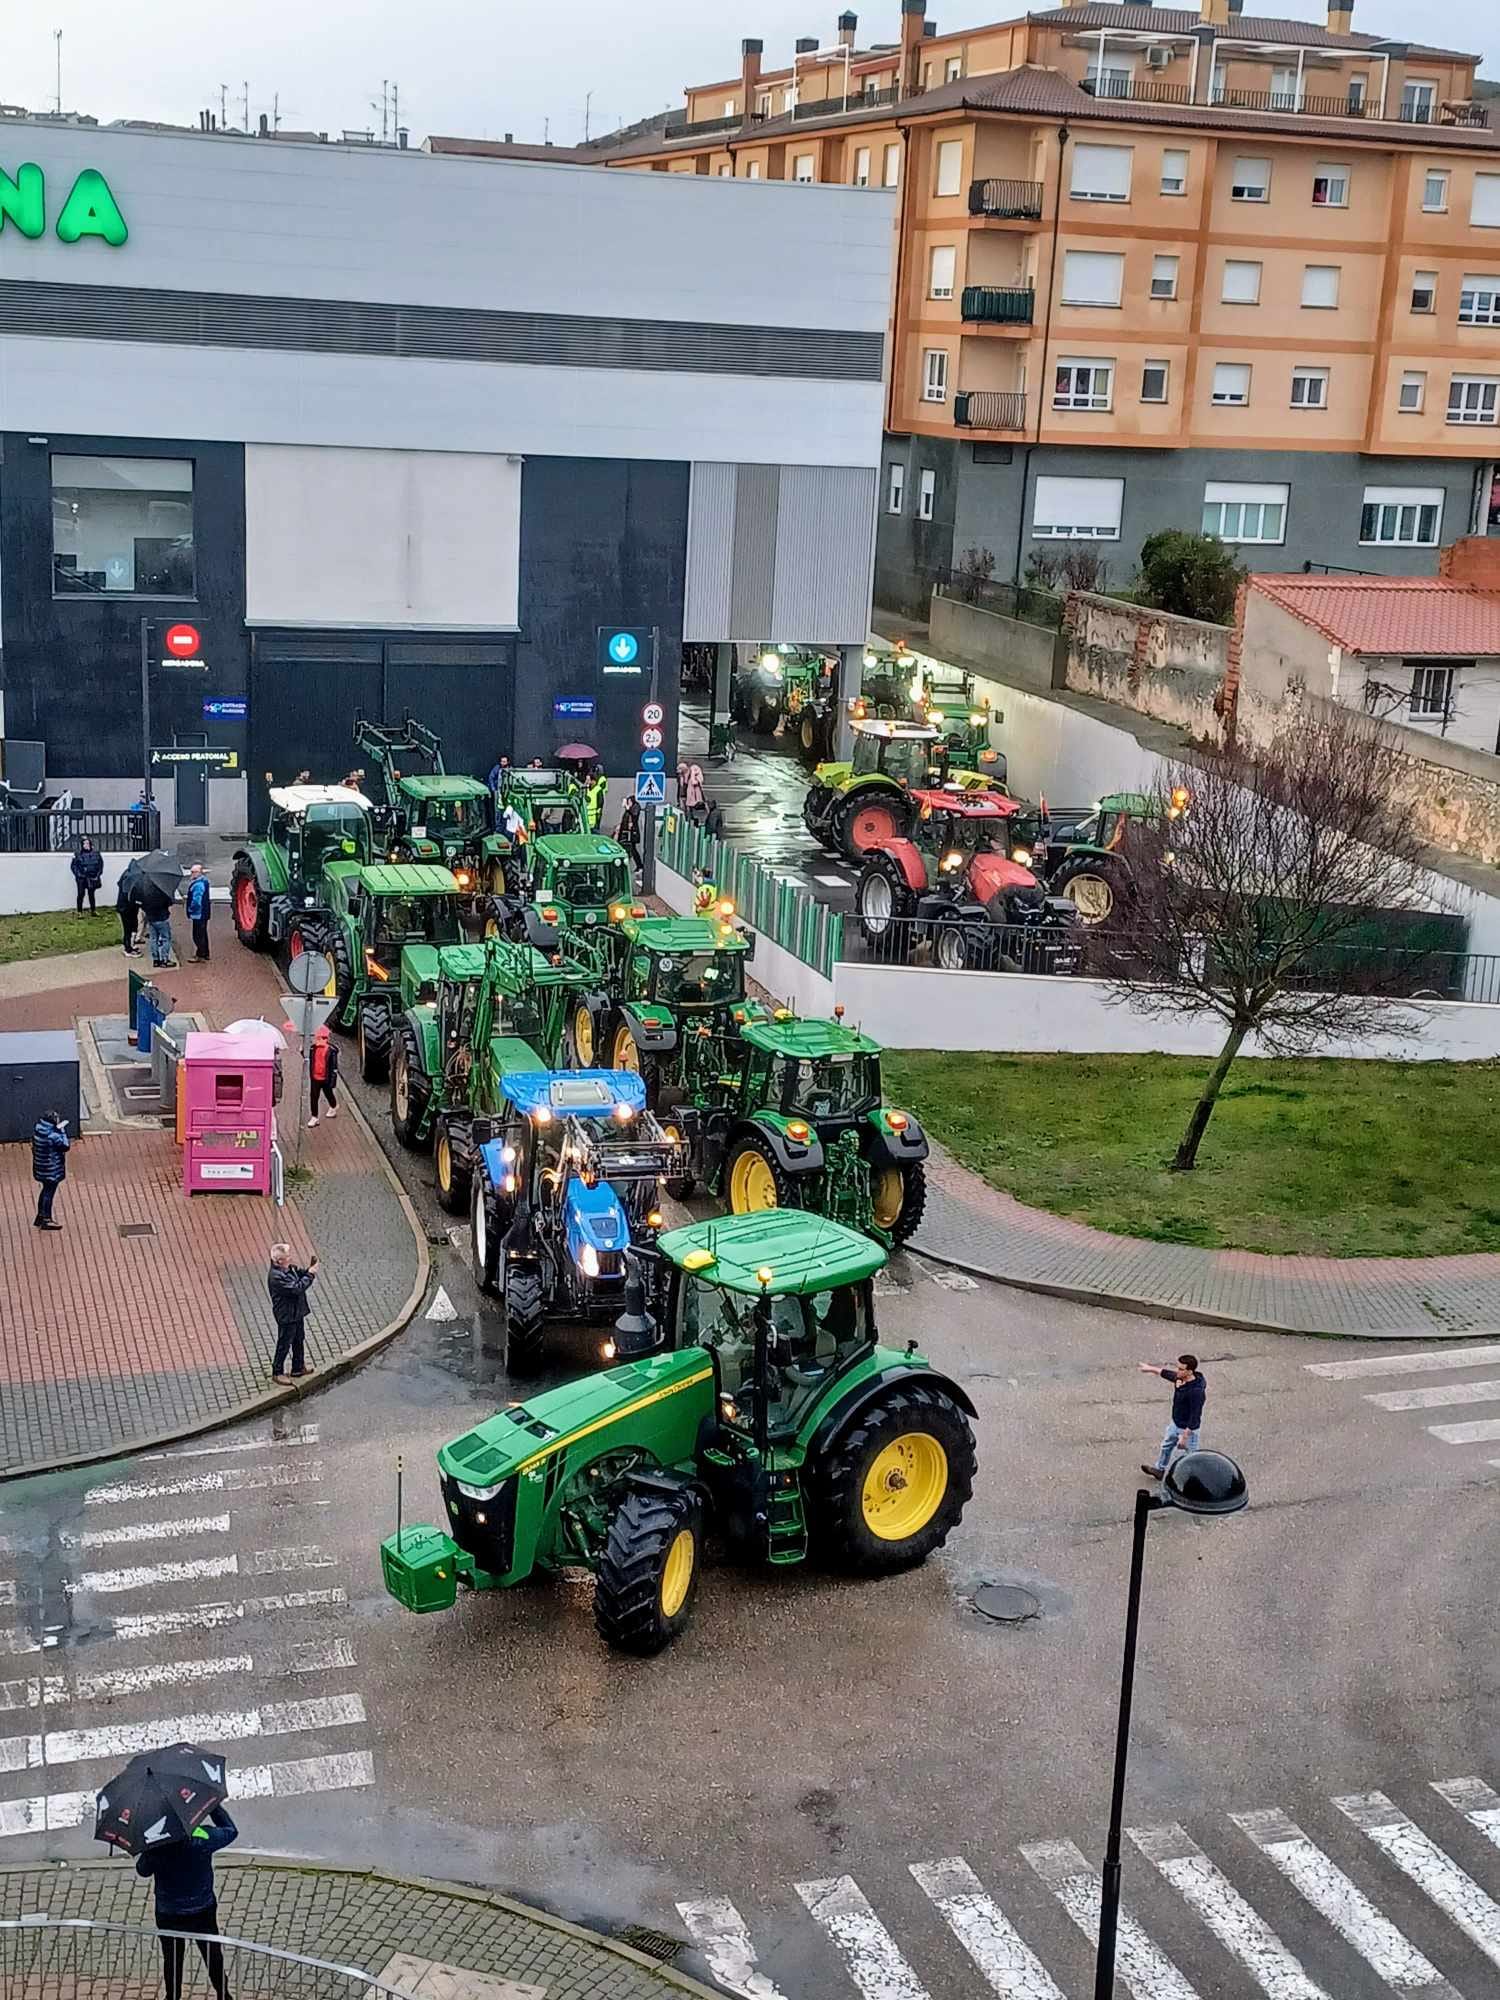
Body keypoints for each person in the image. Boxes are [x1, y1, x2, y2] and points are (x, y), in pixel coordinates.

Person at [136, 1803, 238, 2000]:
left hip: (169, 1912)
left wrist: (148, 1845)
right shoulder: (201, 1837)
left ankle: (173, 1996)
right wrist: (212, 1806)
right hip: (202, 1909)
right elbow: (230, 1831)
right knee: (212, 1954)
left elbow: (143, 1870)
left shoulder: (157, 1844)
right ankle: (223, 1994)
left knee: (172, 1959)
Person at [1139, 1353, 1207, 1479]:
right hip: (1175, 1423)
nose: (1178, 1371)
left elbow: (1195, 1416)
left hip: (1188, 1430)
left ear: (1190, 1371)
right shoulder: (1180, 1378)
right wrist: (1150, 1368)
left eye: (1181, 1369)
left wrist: (1184, 1437)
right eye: (1178, 1367)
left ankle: (1195, 1480)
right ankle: (1160, 1469)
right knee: (1166, 1446)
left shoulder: (1196, 1392)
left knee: (1192, 1456)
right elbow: (1168, 1374)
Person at [268, 1245, 318, 1383]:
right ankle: (277, 1372)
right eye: (287, 1257)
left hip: (296, 1311)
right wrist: (311, 1274)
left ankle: (298, 1367)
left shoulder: (288, 1268)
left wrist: (308, 1270)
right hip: (286, 1314)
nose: (290, 1258)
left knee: (298, 1339)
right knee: (284, 1342)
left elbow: (299, 1273)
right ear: (279, 1261)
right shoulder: (277, 1277)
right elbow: (297, 1288)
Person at [31, 1109, 70, 1231]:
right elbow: (65, 1146)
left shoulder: (39, 1131)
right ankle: (46, 1219)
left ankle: (40, 1216)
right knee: (49, 1193)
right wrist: (62, 1131)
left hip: (41, 1167)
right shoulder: (54, 1135)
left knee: (45, 1191)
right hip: (51, 1169)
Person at [139, 876, 177, 969]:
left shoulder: (145, 892)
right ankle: (164, 960)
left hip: (151, 918)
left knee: (153, 939)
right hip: (162, 917)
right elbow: (169, 902)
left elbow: (143, 906)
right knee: (166, 938)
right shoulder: (162, 891)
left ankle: (156, 960)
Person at [307, 1026, 339, 1125]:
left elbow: (334, 1068)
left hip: (325, 1078)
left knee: (328, 1093)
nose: (315, 1040)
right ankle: (314, 1116)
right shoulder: (313, 1048)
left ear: (323, 1038)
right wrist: (302, 1049)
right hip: (315, 1077)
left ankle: (333, 1106)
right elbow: (306, 1055)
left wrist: (332, 1082)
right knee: (314, 1096)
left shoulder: (331, 1051)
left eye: (317, 1038)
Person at [185, 865, 212, 962]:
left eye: (194, 872)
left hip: (198, 914)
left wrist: (191, 909)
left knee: (197, 935)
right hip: (204, 913)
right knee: (203, 933)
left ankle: (200, 954)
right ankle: (205, 953)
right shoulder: (204, 882)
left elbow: (197, 901)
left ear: (199, 872)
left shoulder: (198, 885)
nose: (191, 874)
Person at [71, 836, 104, 915]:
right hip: (81, 878)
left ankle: (93, 910)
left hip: (92, 877)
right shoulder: (77, 854)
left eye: (87, 843)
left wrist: (98, 874)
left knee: (91, 894)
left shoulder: (96, 854)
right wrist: (79, 875)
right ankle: (79, 911)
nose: (86, 845)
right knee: (81, 894)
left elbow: (100, 865)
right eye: (84, 843)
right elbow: (73, 866)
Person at [116, 872, 142, 957]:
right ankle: (128, 949)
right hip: (127, 909)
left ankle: (131, 945)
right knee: (128, 929)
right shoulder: (130, 885)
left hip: (127, 908)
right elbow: (131, 899)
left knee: (133, 926)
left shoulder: (127, 876)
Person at [615, 795, 643, 872]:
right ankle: (638, 865)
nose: (628, 803)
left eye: (629, 802)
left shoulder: (635, 807)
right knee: (630, 849)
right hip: (626, 832)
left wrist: (627, 808)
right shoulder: (629, 810)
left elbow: (634, 815)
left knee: (632, 849)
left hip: (632, 833)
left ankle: (639, 865)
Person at [586, 765, 608, 832]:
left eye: (588, 780)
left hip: (594, 819)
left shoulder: (599, 785)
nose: (586, 781)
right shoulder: (586, 789)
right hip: (587, 818)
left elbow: (600, 803)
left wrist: (598, 815)